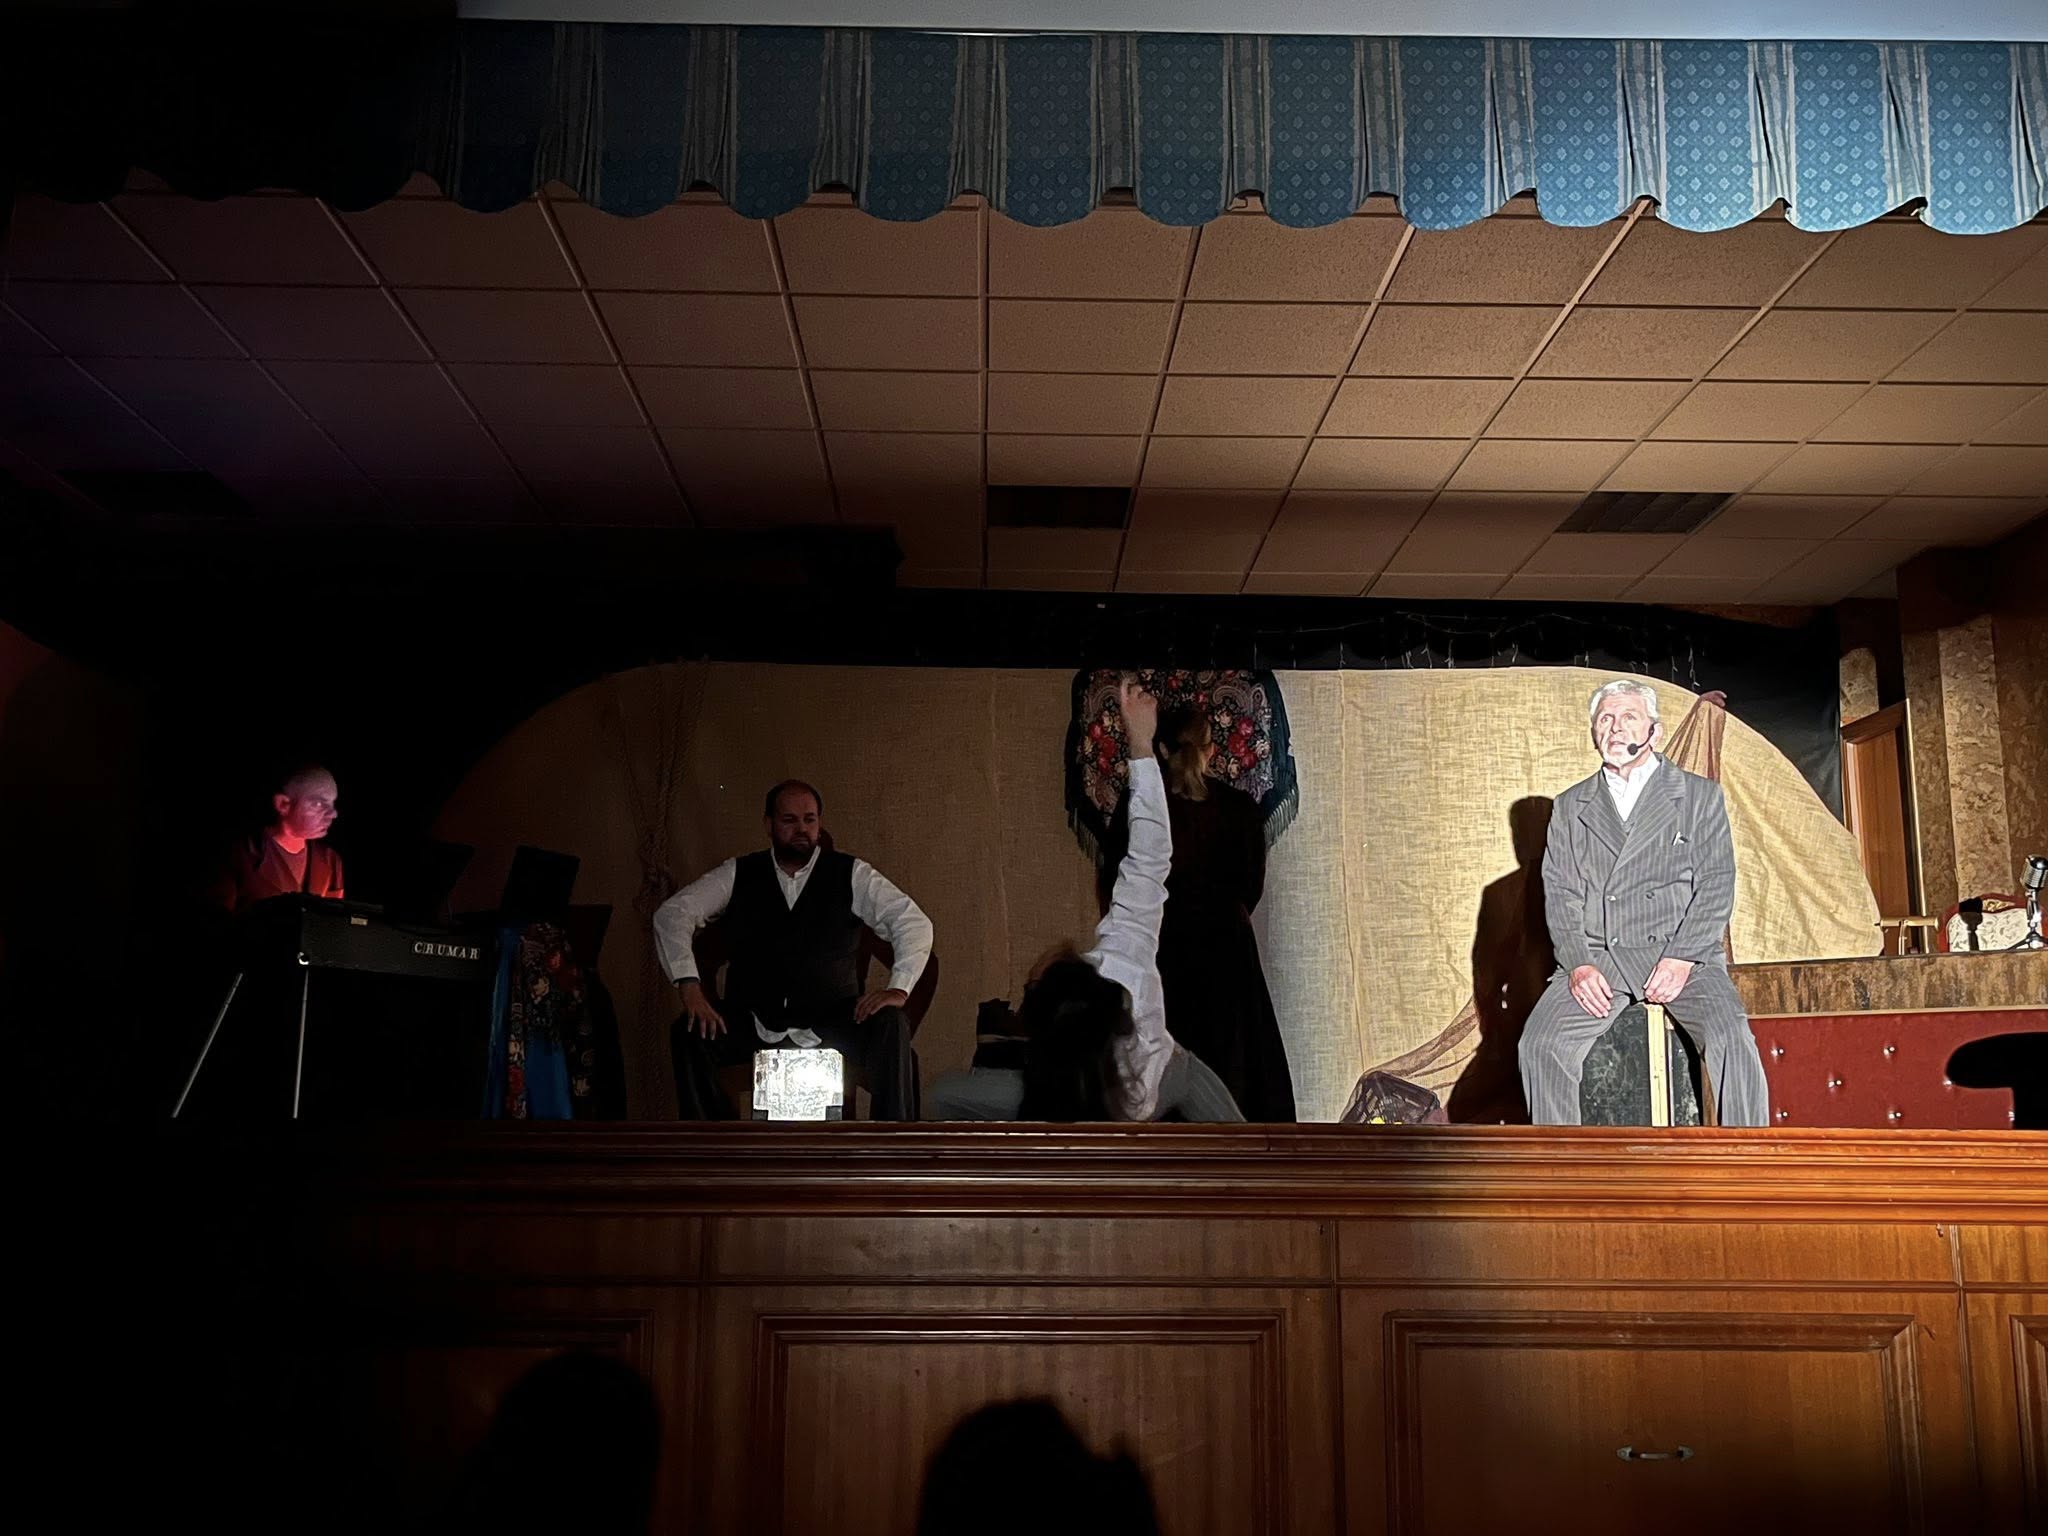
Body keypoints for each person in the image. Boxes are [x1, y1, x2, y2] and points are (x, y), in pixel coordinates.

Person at [925, 679, 1244, 1123]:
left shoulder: (1120, 966)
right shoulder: (1068, 1058)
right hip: (1113, 1092)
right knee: (945, 1096)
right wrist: (1140, 743)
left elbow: (1150, 855)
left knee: (944, 1095)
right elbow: (1149, 858)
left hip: (1165, 1074)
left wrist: (1141, 745)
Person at [1518, 678, 1769, 1127]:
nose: (1615, 728)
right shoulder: (1571, 806)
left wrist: (1682, 957)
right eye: (1605, 719)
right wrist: (1579, 964)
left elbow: (1716, 884)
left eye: (1628, 717)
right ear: (1593, 733)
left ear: (1654, 731)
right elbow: (1560, 894)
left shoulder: (1698, 796)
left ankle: (1750, 1160)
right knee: (1540, 1045)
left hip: (1683, 956)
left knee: (1731, 1039)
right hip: (1600, 958)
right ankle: (1560, 1164)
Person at [653, 779, 931, 1120]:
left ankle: (890, 1144)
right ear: (769, 824)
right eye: (790, 820)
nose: (801, 829)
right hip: (753, 1019)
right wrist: (689, 985)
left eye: (809, 820)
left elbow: (912, 922)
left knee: (891, 1024)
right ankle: (712, 1144)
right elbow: (672, 915)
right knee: (689, 1031)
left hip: (835, 1019)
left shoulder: (852, 874)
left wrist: (899, 988)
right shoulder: (738, 873)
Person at [1127, 704, 1296, 1121]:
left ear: (1162, 750)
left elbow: (1121, 882)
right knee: (1233, 1078)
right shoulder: (1238, 809)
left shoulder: (1141, 810)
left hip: (1164, 956)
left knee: (1162, 1078)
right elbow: (1249, 887)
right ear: (1211, 750)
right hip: (1227, 958)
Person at [210, 763, 343, 911]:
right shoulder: (238, 854)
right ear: (283, 804)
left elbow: (334, 919)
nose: (333, 814)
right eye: (317, 804)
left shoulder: (330, 860)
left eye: (331, 803)